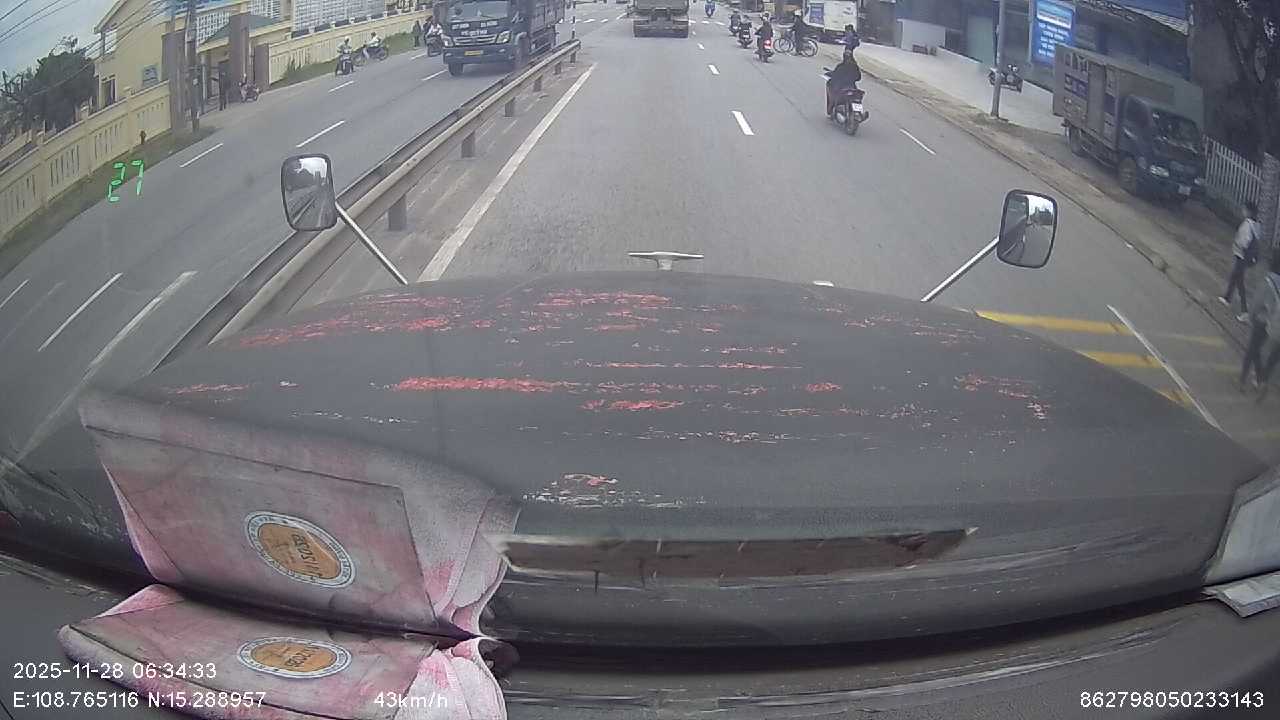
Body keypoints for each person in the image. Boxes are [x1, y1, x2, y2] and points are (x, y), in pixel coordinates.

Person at [1240, 256, 1280, 398]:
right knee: (1258, 349)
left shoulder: (1268, 282)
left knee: (1252, 349)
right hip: (1274, 322)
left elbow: (1257, 301)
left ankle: (1242, 381)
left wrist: (1250, 315)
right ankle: (1261, 379)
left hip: (1262, 319)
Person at [1220, 200, 1261, 322]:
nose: (1243, 211)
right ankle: (1227, 298)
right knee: (1235, 277)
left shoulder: (1248, 224)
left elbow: (1244, 240)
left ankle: (1244, 311)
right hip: (1246, 257)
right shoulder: (1257, 225)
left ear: (1249, 211)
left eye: (1244, 209)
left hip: (1242, 255)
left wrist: (1238, 246)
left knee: (1239, 281)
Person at [826, 48, 862, 116]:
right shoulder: (855, 66)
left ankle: (830, 108)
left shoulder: (841, 66)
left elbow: (835, 75)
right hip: (852, 87)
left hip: (841, 88)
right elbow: (858, 78)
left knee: (832, 91)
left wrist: (830, 74)